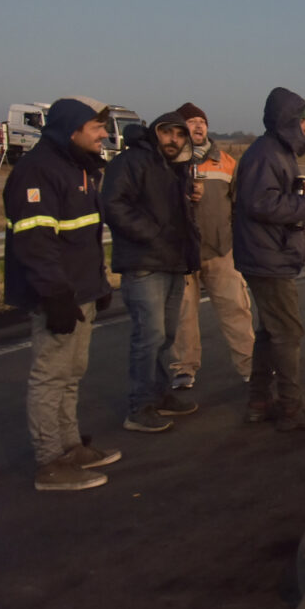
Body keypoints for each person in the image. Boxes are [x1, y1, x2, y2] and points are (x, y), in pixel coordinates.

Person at [2, 97, 119, 491]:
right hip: (57, 294)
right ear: (71, 132)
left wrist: (97, 283)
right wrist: (55, 295)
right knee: (50, 376)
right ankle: (49, 461)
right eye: (96, 128)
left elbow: (84, 237)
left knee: (72, 373)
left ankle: (70, 445)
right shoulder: (37, 172)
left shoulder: (80, 169)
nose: (104, 134)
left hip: (81, 289)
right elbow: (36, 241)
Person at [233, 87, 305, 431]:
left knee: (270, 332)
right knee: (289, 332)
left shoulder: (275, 152)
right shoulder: (267, 155)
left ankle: (258, 402)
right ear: (291, 121)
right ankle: (292, 408)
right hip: (268, 256)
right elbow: (260, 203)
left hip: (266, 252)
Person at [102, 111, 201, 432]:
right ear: (155, 133)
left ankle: (159, 394)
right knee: (149, 335)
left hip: (173, 262)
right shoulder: (132, 162)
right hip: (144, 262)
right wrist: (151, 234)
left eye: (179, 134)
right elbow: (113, 205)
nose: (173, 139)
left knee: (166, 335)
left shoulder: (177, 169)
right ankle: (139, 406)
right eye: (167, 133)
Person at [168, 102, 254, 390]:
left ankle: (250, 366)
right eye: (191, 122)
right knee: (183, 316)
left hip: (221, 250)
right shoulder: (168, 163)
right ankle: (184, 369)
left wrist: (237, 240)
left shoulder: (226, 161)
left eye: (201, 121)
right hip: (181, 254)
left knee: (237, 309)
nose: (198, 126)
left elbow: (239, 204)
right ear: (180, 129)